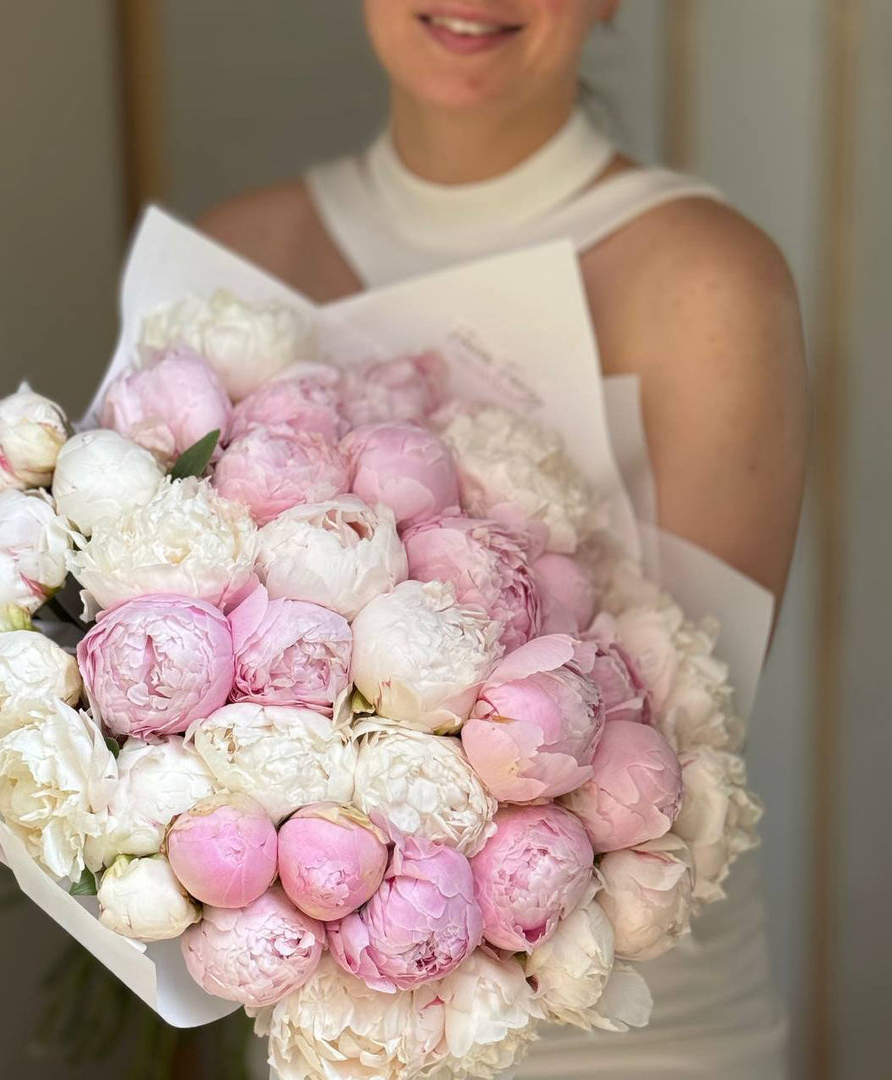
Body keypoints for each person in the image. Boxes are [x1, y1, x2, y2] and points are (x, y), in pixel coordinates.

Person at [198, 2, 806, 1077]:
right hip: (334, 1029)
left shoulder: (710, 278)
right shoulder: (236, 257)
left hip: (627, 1016)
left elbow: (691, 740)